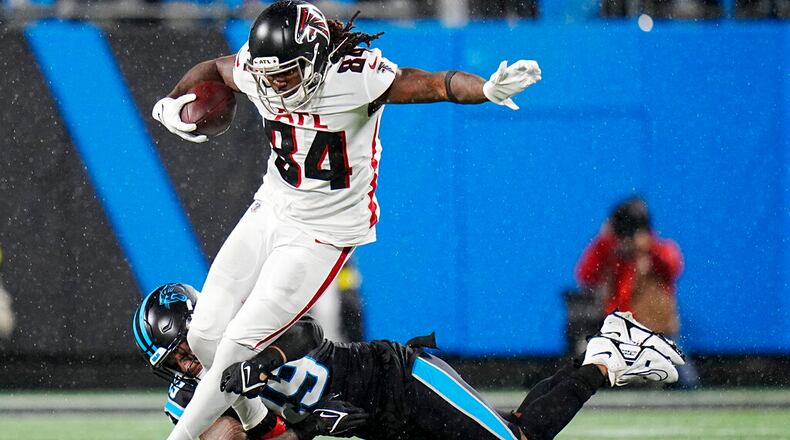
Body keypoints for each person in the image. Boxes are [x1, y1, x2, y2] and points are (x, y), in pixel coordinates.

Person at [150, 1, 542, 438]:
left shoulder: (355, 77)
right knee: (204, 336)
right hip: (273, 205)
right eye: (269, 75)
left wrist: (484, 87)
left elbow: (435, 84)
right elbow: (214, 69)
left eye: (286, 73)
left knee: (237, 345)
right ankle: (259, 421)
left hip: (322, 233)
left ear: (317, 58)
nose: (276, 85)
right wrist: (170, 103)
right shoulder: (261, 70)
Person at [134, 283, 685, 440]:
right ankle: (604, 355)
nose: (188, 360)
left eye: (188, 343)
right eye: (177, 355)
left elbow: (304, 333)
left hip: (399, 380)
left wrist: (258, 366)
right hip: (376, 426)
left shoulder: (243, 330)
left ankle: (604, 360)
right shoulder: (190, 401)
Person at [575, 196, 698, 388]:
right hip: (618, 332)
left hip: (655, 333)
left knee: (683, 380)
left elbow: (674, 266)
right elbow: (585, 275)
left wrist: (649, 248)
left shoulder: (659, 251)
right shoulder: (611, 252)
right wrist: (603, 242)